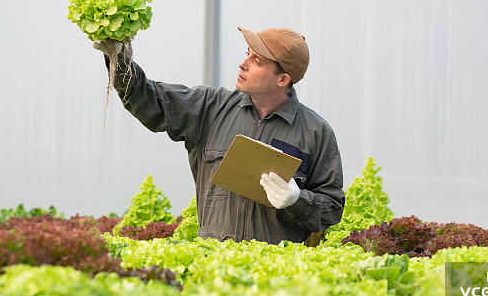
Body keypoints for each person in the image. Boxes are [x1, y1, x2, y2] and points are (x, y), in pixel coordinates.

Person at [95, 26, 344, 245]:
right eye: (247, 54)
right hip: (212, 266)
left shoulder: (315, 132)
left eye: (257, 61)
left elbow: (331, 209)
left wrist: (297, 200)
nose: (243, 64)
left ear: (283, 79)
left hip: (274, 277)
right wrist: (118, 56)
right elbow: (152, 100)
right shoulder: (211, 108)